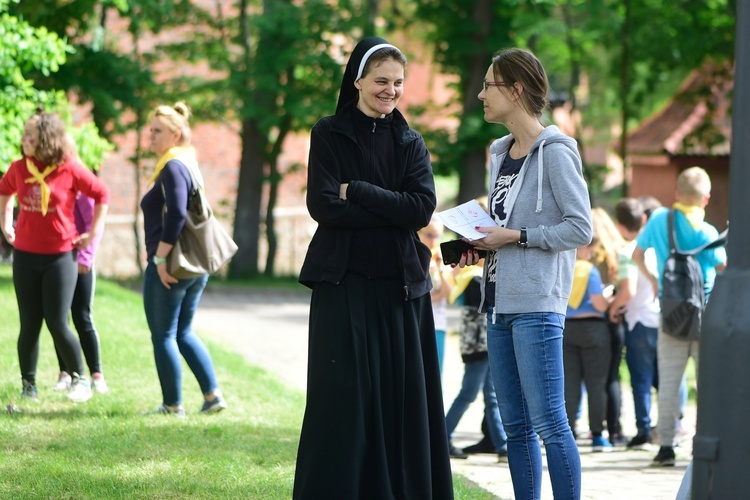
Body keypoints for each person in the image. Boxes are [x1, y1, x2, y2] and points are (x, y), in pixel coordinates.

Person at [294, 37, 453, 498]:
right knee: (342, 399)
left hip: (400, 290)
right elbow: (323, 206)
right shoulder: (328, 132)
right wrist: (392, 210)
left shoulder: (410, 141)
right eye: (381, 80)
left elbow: (421, 210)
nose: (390, 90)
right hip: (341, 286)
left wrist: (359, 190)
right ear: (358, 80)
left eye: (398, 82)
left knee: (400, 400)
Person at [462, 47, 592, 500]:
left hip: (537, 305)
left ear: (515, 90)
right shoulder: (499, 152)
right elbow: (506, 227)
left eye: (488, 85)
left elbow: (580, 228)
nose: (479, 95)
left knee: (550, 423)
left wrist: (515, 237)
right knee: (514, 428)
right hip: (496, 304)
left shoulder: (556, 152)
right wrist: (479, 246)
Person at [0, 110, 110, 403]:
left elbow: (102, 194)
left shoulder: (69, 169)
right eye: (24, 134)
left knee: (58, 322)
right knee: (29, 323)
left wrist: (92, 233)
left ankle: (80, 379)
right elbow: (4, 192)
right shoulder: (19, 168)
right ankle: (29, 386)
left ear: (45, 139)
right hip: (25, 256)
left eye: (29, 135)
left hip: (60, 258)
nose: (23, 139)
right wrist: (5, 222)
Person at [632, 166, 726, 467]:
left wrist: (655, 280)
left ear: (676, 194)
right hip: (705, 314)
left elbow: (636, 254)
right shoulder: (708, 232)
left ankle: (667, 448)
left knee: (670, 382)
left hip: (670, 313)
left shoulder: (660, 219)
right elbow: (724, 268)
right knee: (707, 383)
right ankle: (703, 447)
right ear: (706, 199)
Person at [139, 101, 226, 417]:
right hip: (193, 265)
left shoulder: (173, 166)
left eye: (158, 131)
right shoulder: (186, 163)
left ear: (176, 135)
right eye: (151, 130)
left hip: (174, 266)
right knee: (183, 332)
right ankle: (212, 395)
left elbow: (176, 214)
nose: (151, 136)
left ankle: (173, 405)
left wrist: (160, 260)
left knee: (163, 335)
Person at [53, 136, 108, 395]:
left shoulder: (81, 179)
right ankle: (65, 372)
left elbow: (93, 225)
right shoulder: (51, 179)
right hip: (58, 259)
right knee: (58, 318)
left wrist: (86, 258)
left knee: (82, 316)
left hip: (80, 260)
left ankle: (96, 374)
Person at [444, 262, 508, 461]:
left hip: (483, 346)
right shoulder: (475, 279)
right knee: (469, 394)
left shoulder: (468, 278)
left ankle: (502, 446)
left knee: (491, 396)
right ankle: (442, 436)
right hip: (481, 347)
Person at [564, 238, 613, 452]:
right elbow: (600, 303)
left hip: (566, 328)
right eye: (589, 248)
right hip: (593, 328)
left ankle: (568, 431)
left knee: (570, 383)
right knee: (596, 383)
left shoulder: (562, 267)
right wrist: (609, 298)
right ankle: (598, 435)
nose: (591, 253)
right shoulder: (589, 271)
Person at [591, 207, 627, 446]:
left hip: (595, 318)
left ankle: (598, 429)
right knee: (612, 376)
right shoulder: (618, 250)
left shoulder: (589, 252)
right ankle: (615, 430)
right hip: (616, 318)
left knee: (595, 378)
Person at [418, 217, 453, 375]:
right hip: (416, 321)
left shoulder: (443, 262)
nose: (433, 241)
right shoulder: (413, 257)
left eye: (437, 236)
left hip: (437, 323)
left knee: (435, 373)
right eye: (429, 235)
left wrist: (439, 269)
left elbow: (450, 295)